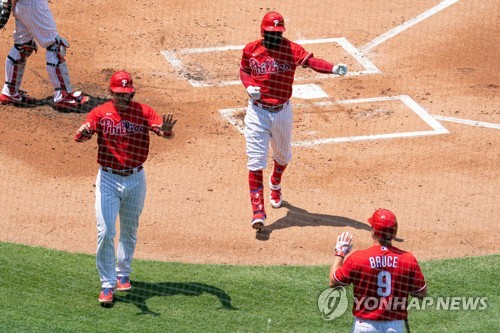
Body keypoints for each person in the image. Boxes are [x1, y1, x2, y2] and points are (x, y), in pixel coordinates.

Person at [74, 70, 177, 304]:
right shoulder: (100, 113)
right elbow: (80, 135)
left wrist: (168, 131)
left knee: (129, 230)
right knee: (106, 231)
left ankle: (123, 273)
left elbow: (163, 132)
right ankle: (107, 284)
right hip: (108, 180)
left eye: (127, 94)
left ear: (132, 93)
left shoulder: (143, 111)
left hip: (135, 179)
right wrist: (84, 132)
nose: (123, 98)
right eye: (119, 94)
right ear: (111, 93)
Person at [240, 11, 348, 230]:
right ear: (263, 32)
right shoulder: (251, 50)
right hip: (257, 113)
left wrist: (333, 68)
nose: (275, 37)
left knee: (283, 156)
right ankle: (258, 212)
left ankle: (276, 182)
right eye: (271, 33)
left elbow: (312, 62)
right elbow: (244, 70)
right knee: (255, 162)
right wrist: (249, 86)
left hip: (282, 112)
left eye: (278, 33)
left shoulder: (291, 49)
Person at [329, 209, 427, 333]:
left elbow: (334, 281)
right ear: (394, 233)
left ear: (374, 231)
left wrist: (340, 252)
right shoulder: (407, 259)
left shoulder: (358, 258)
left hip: (365, 326)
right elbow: (421, 293)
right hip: (394, 326)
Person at [0, 0, 89, 110]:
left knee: (23, 46)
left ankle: (10, 91)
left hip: (21, 5)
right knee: (54, 46)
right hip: (34, 5)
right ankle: (63, 96)